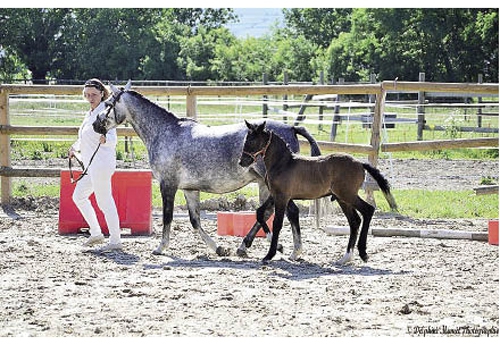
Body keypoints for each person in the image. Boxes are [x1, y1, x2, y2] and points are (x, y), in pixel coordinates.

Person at [68, 78, 122, 251]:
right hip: (91, 165)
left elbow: (113, 140)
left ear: (102, 94)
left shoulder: (105, 112)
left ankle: (115, 240)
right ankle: (97, 233)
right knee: (79, 197)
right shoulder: (90, 112)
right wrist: (75, 147)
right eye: (87, 95)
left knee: (105, 202)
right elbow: (85, 136)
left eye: (94, 95)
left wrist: (105, 140)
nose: (90, 98)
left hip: (101, 164)